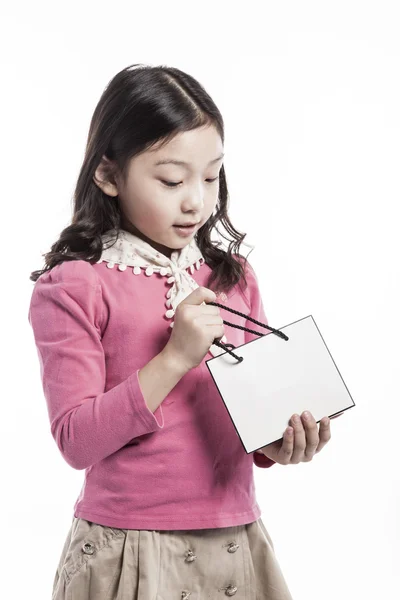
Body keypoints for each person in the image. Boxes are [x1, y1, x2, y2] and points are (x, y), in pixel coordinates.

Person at [28, 63, 339, 600]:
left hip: (236, 543)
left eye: (212, 175)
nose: (197, 200)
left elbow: (255, 414)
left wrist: (280, 444)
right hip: (129, 549)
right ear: (108, 174)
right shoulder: (76, 285)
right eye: (172, 180)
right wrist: (174, 357)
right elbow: (76, 440)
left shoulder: (232, 278)